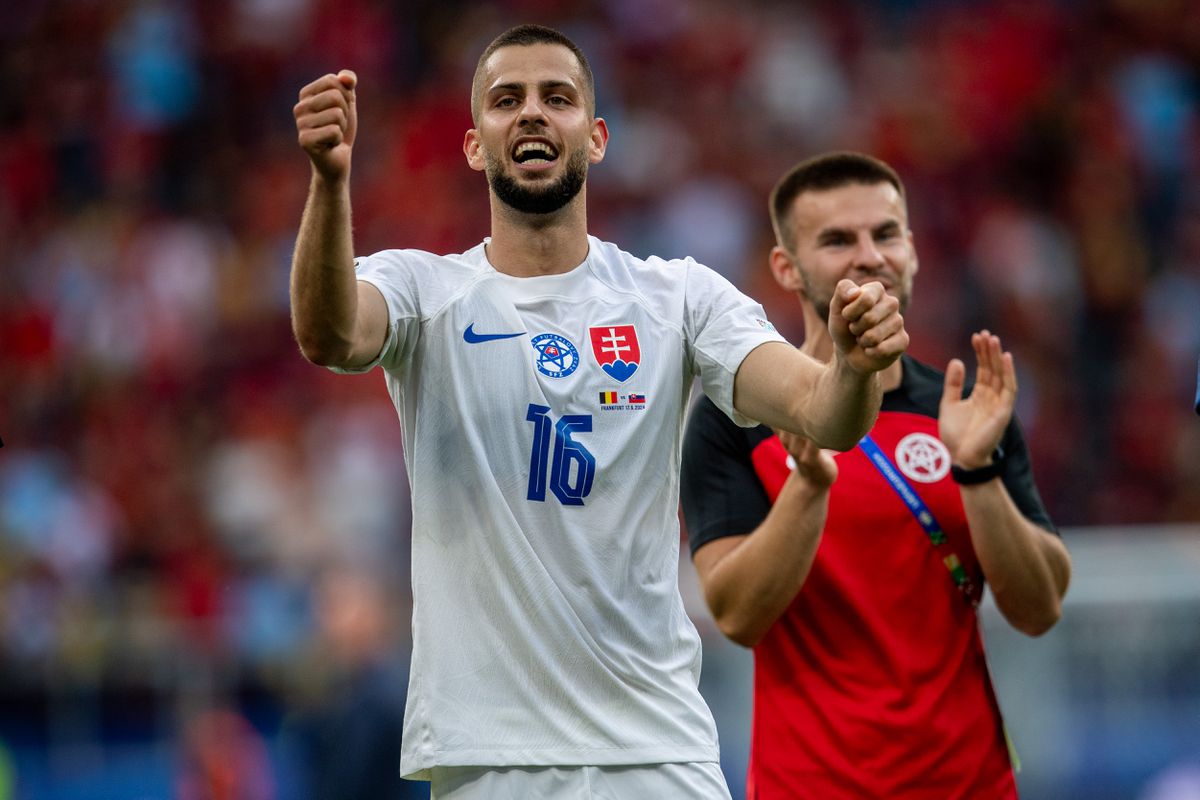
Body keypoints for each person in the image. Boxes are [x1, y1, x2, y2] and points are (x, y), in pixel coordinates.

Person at [290, 26, 908, 799]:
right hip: (491, 757)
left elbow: (826, 413)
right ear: (475, 145)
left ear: (598, 136)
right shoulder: (426, 292)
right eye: (506, 100)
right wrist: (329, 181)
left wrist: (853, 364)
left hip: (657, 752)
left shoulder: (678, 298)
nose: (532, 115)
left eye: (558, 97)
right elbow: (329, 334)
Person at [680, 152, 1072, 799]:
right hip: (810, 787)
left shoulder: (967, 407)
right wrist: (807, 485)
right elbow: (736, 615)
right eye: (837, 240)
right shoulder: (736, 417)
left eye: (885, 234)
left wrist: (977, 470)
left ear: (913, 253)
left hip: (970, 784)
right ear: (786, 267)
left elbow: (1039, 608)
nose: (869, 256)